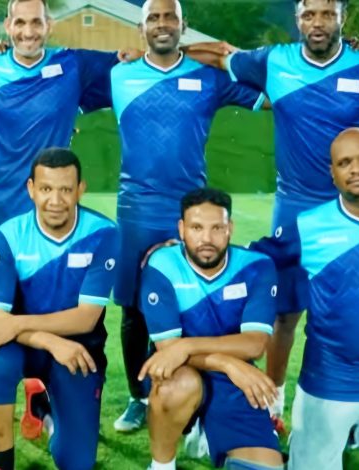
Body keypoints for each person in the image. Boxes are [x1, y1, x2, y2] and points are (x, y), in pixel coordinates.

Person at [185, 0, 359, 420]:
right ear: (297, 19)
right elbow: (219, 55)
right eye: (309, 14)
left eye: (327, 13)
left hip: (350, 214)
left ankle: (355, 404)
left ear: (342, 17)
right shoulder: (275, 61)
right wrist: (164, 52)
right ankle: (274, 405)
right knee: (284, 314)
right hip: (294, 212)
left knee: (350, 311)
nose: (317, 22)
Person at [0, 0, 131, 436]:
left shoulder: (74, 64)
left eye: (36, 22)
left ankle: (52, 396)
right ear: (7, 25)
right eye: (20, 23)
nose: (28, 31)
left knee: (58, 305)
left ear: (50, 25)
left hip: (56, 212)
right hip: (2, 212)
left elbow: (126, 62)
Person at [109, 0, 267, 432]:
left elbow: (271, 95)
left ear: (184, 25)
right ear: (140, 27)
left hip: (191, 210)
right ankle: (139, 396)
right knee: (134, 309)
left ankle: (197, 397)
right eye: (153, 18)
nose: (162, 24)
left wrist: (216, 53)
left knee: (193, 303)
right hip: (137, 210)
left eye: (170, 17)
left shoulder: (210, 78)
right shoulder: (117, 74)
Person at [249, 128, 359, 469]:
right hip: (324, 384)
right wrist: (179, 253)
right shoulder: (308, 225)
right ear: (333, 173)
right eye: (345, 162)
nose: (356, 169)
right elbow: (250, 260)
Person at [0, 148, 118, 470]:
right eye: (46, 188)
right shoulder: (8, 235)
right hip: (23, 346)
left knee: (76, 463)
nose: (56, 200)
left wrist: (17, 324)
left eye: (66, 189)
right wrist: (50, 341)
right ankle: (2, 464)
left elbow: (86, 318)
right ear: (31, 189)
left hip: (78, 349)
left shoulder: (103, 233)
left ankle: (43, 410)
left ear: (80, 190)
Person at [138, 188, 282, 470]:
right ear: (182, 229)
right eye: (196, 228)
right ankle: (162, 465)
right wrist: (229, 363)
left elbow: (254, 344)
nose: (206, 238)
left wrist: (188, 345)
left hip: (232, 380)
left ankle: (208, 429)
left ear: (230, 229)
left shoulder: (257, 266)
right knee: (179, 385)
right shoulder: (162, 264)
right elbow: (169, 351)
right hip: (179, 372)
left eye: (217, 228)